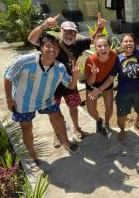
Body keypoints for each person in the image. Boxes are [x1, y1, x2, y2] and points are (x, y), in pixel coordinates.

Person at [88, 9, 139, 141]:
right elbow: (110, 79)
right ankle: (122, 129)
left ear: (134, 43)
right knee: (121, 117)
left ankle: (137, 125)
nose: (128, 43)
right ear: (122, 44)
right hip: (123, 93)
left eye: (131, 41)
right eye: (125, 41)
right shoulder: (117, 59)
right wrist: (99, 89)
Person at [28, 13, 106, 147]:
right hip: (51, 86)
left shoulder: (78, 43)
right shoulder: (52, 42)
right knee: (54, 113)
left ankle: (76, 128)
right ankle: (57, 133)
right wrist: (45, 25)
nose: (70, 35)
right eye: (67, 31)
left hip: (71, 83)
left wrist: (99, 28)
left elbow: (93, 40)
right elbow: (31, 39)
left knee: (73, 107)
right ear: (61, 30)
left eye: (73, 32)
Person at [4, 33, 80, 171]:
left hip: (46, 99)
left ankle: (66, 142)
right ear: (41, 48)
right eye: (48, 46)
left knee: (58, 117)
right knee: (27, 128)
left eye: (56, 47)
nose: (52, 50)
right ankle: (33, 156)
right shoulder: (25, 62)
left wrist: (75, 77)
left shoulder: (60, 67)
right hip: (24, 101)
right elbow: (8, 77)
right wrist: (9, 99)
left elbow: (70, 86)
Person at [85, 36, 117, 135]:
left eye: (105, 45)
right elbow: (89, 83)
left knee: (109, 107)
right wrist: (94, 73)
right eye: (99, 46)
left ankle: (106, 123)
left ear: (109, 46)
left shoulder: (114, 55)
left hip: (106, 81)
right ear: (95, 48)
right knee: (91, 110)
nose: (103, 48)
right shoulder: (90, 60)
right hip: (93, 83)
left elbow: (112, 76)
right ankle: (99, 120)